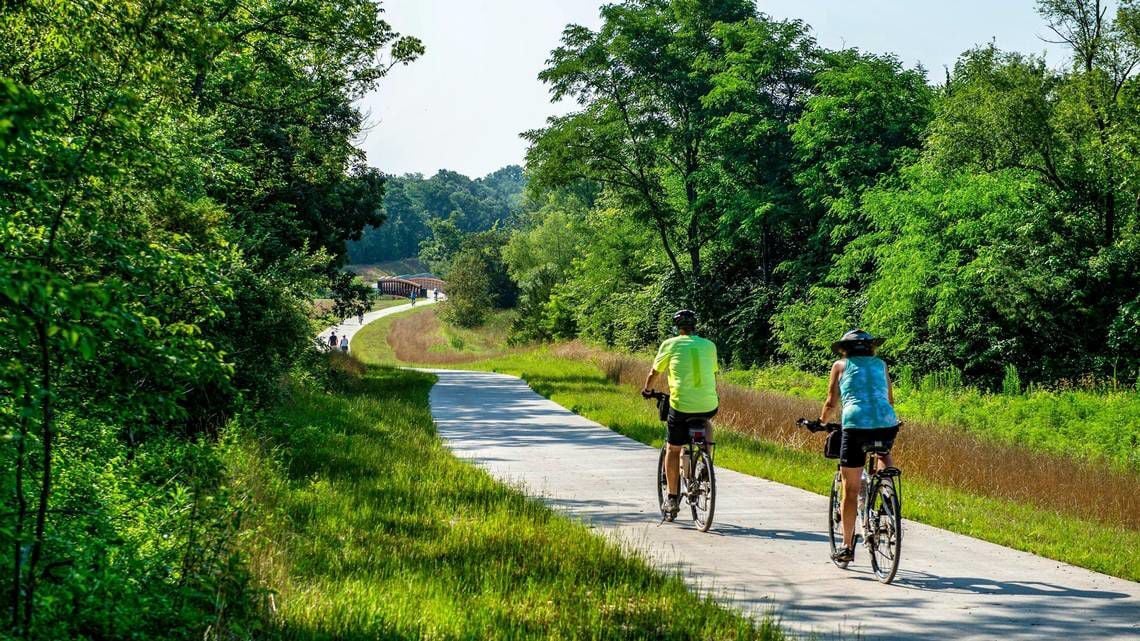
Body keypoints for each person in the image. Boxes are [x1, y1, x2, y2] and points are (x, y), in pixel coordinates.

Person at [819, 329, 900, 563]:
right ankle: (888, 493)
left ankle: (846, 545)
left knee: (850, 489)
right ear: (871, 348)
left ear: (845, 349)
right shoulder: (881, 364)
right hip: (886, 422)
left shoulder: (840, 366)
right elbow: (889, 399)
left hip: (855, 426)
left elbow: (831, 402)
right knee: (883, 449)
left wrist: (821, 422)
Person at [642, 309, 719, 520]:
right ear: (695, 326)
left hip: (681, 405)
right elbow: (712, 372)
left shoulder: (670, 344)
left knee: (673, 449)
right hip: (709, 403)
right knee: (705, 421)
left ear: (678, 327)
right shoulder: (709, 345)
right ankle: (706, 462)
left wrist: (647, 390)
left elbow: (654, 373)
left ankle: (672, 498)